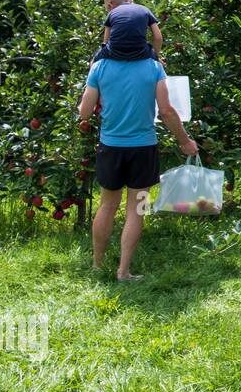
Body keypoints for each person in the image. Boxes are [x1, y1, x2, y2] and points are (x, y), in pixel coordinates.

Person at [77, 46, 197, 281]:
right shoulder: (154, 68)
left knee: (107, 206)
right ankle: (123, 271)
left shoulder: (100, 67)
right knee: (138, 209)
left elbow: (85, 112)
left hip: (110, 149)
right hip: (143, 151)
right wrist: (184, 141)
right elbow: (167, 111)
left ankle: (97, 265)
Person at [91, 0, 163, 66]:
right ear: (130, 1)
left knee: (93, 64)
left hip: (115, 53)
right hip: (141, 52)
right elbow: (158, 37)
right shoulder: (145, 10)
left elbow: (106, 41)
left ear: (110, 5)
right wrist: (155, 56)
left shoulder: (112, 13)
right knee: (159, 65)